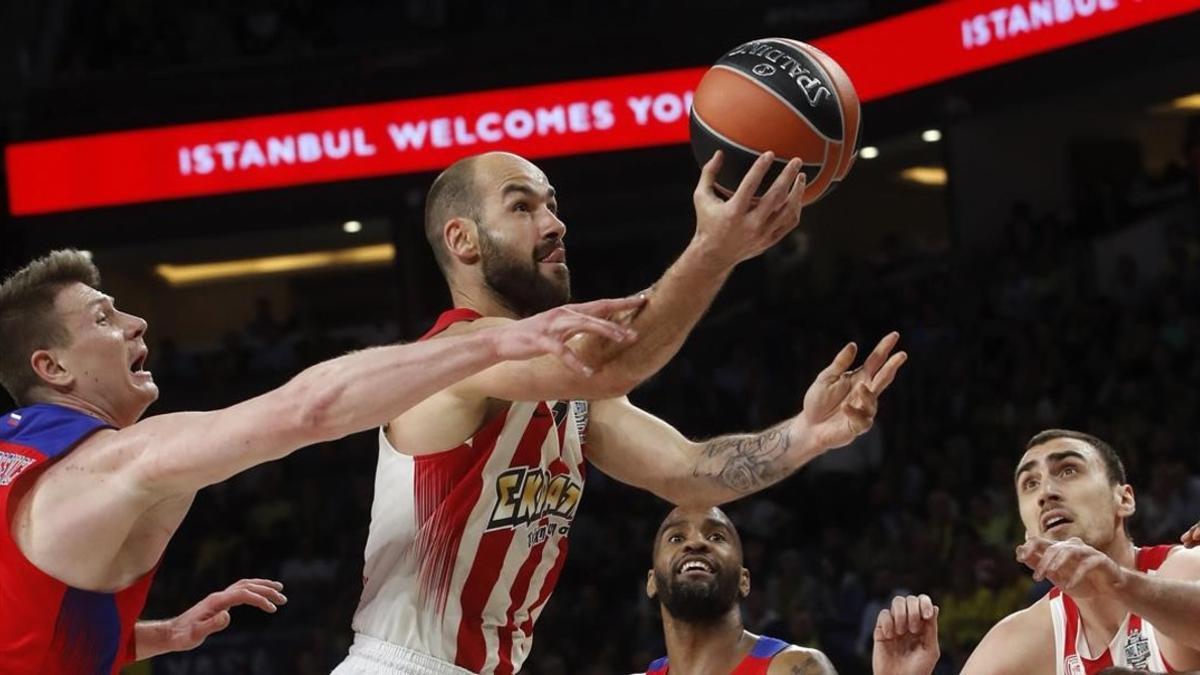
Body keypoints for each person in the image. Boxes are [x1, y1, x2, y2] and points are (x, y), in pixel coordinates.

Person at [337, 149, 906, 674]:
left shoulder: (573, 397)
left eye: (553, 206)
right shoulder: (454, 356)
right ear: (463, 240)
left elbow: (688, 471)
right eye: (522, 206)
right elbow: (611, 364)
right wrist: (714, 250)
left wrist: (807, 434)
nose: (555, 224)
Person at [0, 249, 643, 673]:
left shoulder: (16, 455)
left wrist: (152, 636)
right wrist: (496, 342)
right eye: (105, 318)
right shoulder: (111, 466)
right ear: (51, 368)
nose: (137, 322)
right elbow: (307, 410)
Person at [872, 429, 1200, 675]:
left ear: (1124, 499)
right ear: (1027, 529)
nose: (1046, 493)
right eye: (1030, 484)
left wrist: (1117, 582)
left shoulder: (1183, 568)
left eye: (1068, 470)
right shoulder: (1020, 639)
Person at [642, 505, 837, 674]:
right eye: (676, 538)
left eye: (716, 537)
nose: (695, 542)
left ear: (744, 581)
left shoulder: (795, 668)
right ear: (652, 582)